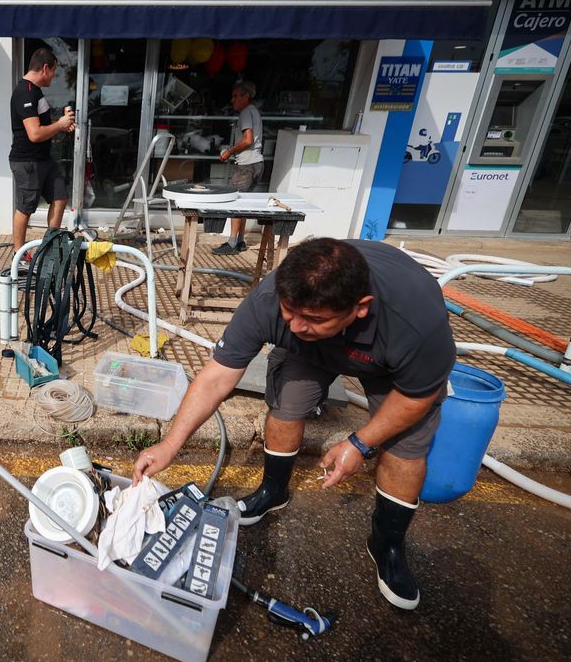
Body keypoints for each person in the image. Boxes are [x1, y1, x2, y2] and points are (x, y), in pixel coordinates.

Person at [133, 238, 455, 611]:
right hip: (313, 353)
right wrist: (169, 444)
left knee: (405, 449)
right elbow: (217, 377)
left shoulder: (415, 320)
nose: (297, 325)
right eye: (290, 312)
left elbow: (416, 398)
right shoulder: (270, 300)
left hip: (390, 368)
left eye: (314, 318)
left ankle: (388, 544)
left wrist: (359, 443)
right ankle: (273, 491)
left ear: (361, 307)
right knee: (286, 406)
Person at [9, 47, 76, 257]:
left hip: (43, 159)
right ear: (45, 68)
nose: (54, 76)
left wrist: (61, 124)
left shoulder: (35, 91)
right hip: (27, 162)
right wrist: (60, 124)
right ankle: (19, 254)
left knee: (60, 197)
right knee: (26, 207)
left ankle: (49, 249)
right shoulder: (25, 92)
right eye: (54, 70)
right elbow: (35, 134)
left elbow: (41, 125)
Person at [212, 80, 264, 256]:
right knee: (243, 203)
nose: (232, 100)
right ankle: (240, 240)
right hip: (257, 163)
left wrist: (229, 151)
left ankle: (232, 242)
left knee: (235, 202)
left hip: (246, 164)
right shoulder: (254, 111)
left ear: (245, 96)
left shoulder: (246, 113)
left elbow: (248, 140)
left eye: (235, 96)